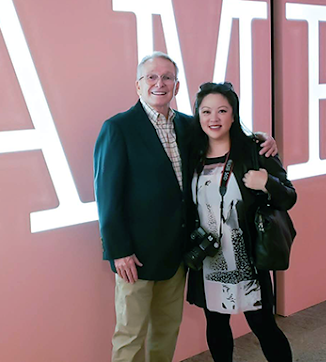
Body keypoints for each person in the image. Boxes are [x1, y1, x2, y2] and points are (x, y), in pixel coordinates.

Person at [93, 52, 277, 362]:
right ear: (138, 85)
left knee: (167, 330)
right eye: (151, 77)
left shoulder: (190, 126)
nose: (159, 83)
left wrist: (262, 139)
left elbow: (228, 134)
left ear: (176, 87)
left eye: (167, 78)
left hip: (178, 253)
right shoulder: (118, 128)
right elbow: (107, 195)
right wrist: (118, 250)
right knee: (130, 335)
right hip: (134, 257)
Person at [185, 82, 296, 362]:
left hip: (247, 257)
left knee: (263, 325)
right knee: (217, 324)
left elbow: (289, 197)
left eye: (222, 110)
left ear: (233, 115)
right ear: (197, 116)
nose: (214, 118)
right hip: (209, 257)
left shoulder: (254, 151)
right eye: (206, 111)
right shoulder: (192, 155)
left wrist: (267, 182)